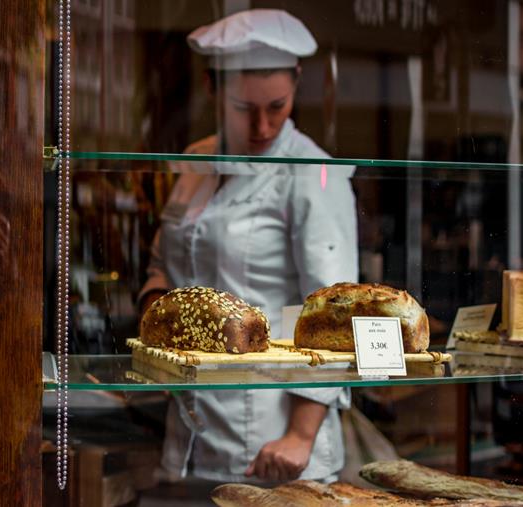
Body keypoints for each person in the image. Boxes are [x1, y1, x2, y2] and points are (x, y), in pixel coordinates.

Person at [138, 9, 359, 486]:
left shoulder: (315, 174)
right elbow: (163, 263)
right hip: (190, 433)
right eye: (243, 108)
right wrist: (157, 318)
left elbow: (333, 318)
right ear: (212, 89)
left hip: (272, 441)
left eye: (276, 106)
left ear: (297, 83)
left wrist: (299, 437)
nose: (262, 126)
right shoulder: (196, 161)